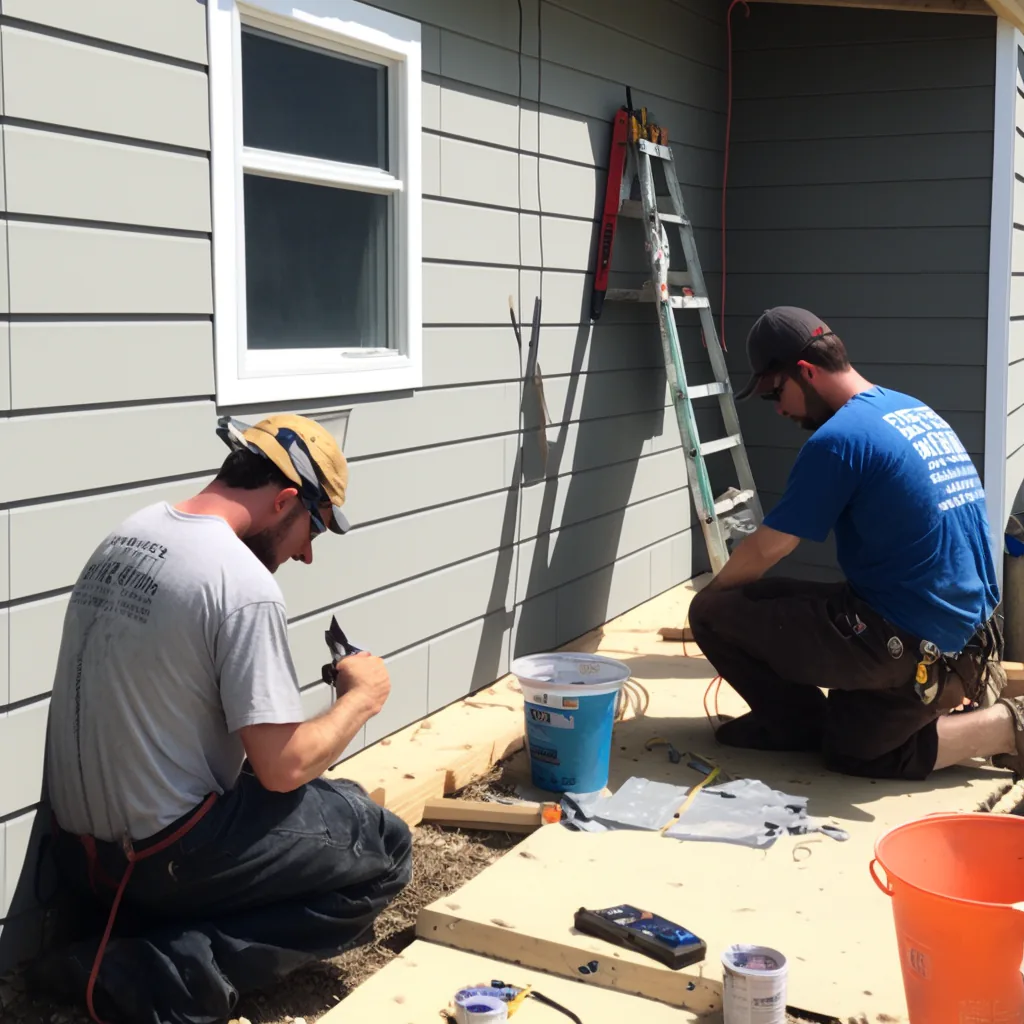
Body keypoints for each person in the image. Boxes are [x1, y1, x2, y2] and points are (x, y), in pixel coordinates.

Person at [29, 414, 412, 1024]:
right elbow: (284, 768)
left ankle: (121, 937)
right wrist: (361, 699)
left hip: (82, 862)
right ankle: (164, 970)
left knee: (335, 804)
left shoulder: (129, 534)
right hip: (162, 858)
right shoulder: (241, 581)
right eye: (311, 529)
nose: (307, 554)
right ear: (285, 500)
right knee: (385, 845)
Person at [687, 306, 1023, 782]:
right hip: (964, 630)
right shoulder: (907, 409)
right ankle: (910, 696)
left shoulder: (840, 438)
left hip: (914, 640)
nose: (778, 409)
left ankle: (1005, 727)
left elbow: (769, 548)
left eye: (774, 392)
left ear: (805, 372)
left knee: (716, 612)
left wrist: (711, 604)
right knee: (773, 607)